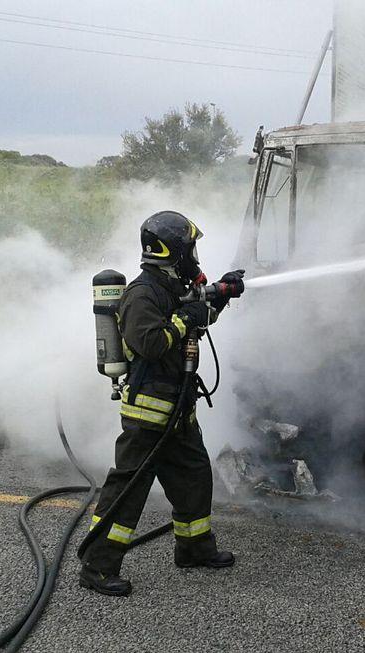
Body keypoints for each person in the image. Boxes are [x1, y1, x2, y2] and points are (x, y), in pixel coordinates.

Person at [79, 210, 245, 596]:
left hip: (178, 408)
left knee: (195, 477)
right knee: (129, 488)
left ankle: (194, 548)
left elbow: (194, 313)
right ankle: (97, 566)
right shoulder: (142, 293)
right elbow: (150, 343)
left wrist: (221, 294)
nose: (194, 254)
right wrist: (188, 317)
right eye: (190, 247)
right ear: (172, 250)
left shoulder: (170, 286)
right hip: (150, 410)